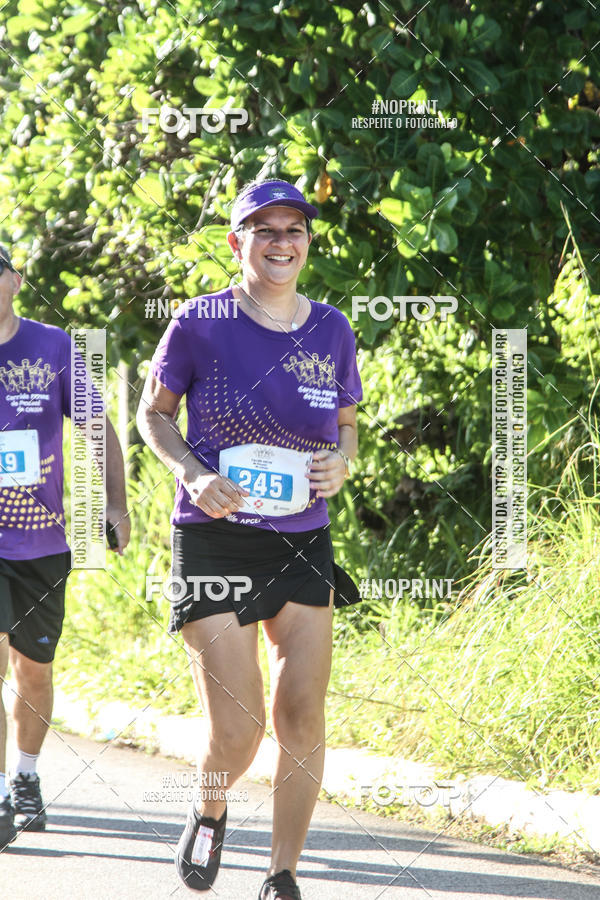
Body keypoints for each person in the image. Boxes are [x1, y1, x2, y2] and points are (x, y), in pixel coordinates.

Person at [137, 178, 362, 900]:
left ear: (307, 242)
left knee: (301, 713)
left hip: (302, 540)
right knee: (237, 735)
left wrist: (342, 462)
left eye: (293, 229)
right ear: (238, 243)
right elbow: (154, 415)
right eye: (263, 230)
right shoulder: (199, 322)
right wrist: (194, 474)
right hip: (215, 539)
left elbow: (348, 423)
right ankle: (209, 808)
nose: (280, 243)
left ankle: (282, 875)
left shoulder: (331, 327)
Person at [0, 245, 130, 849]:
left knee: (36, 669)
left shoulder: (55, 346)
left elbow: (96, 424)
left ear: (15, 281)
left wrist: (115, 502)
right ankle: (1, 792)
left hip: (44, 541)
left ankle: (26, 774)